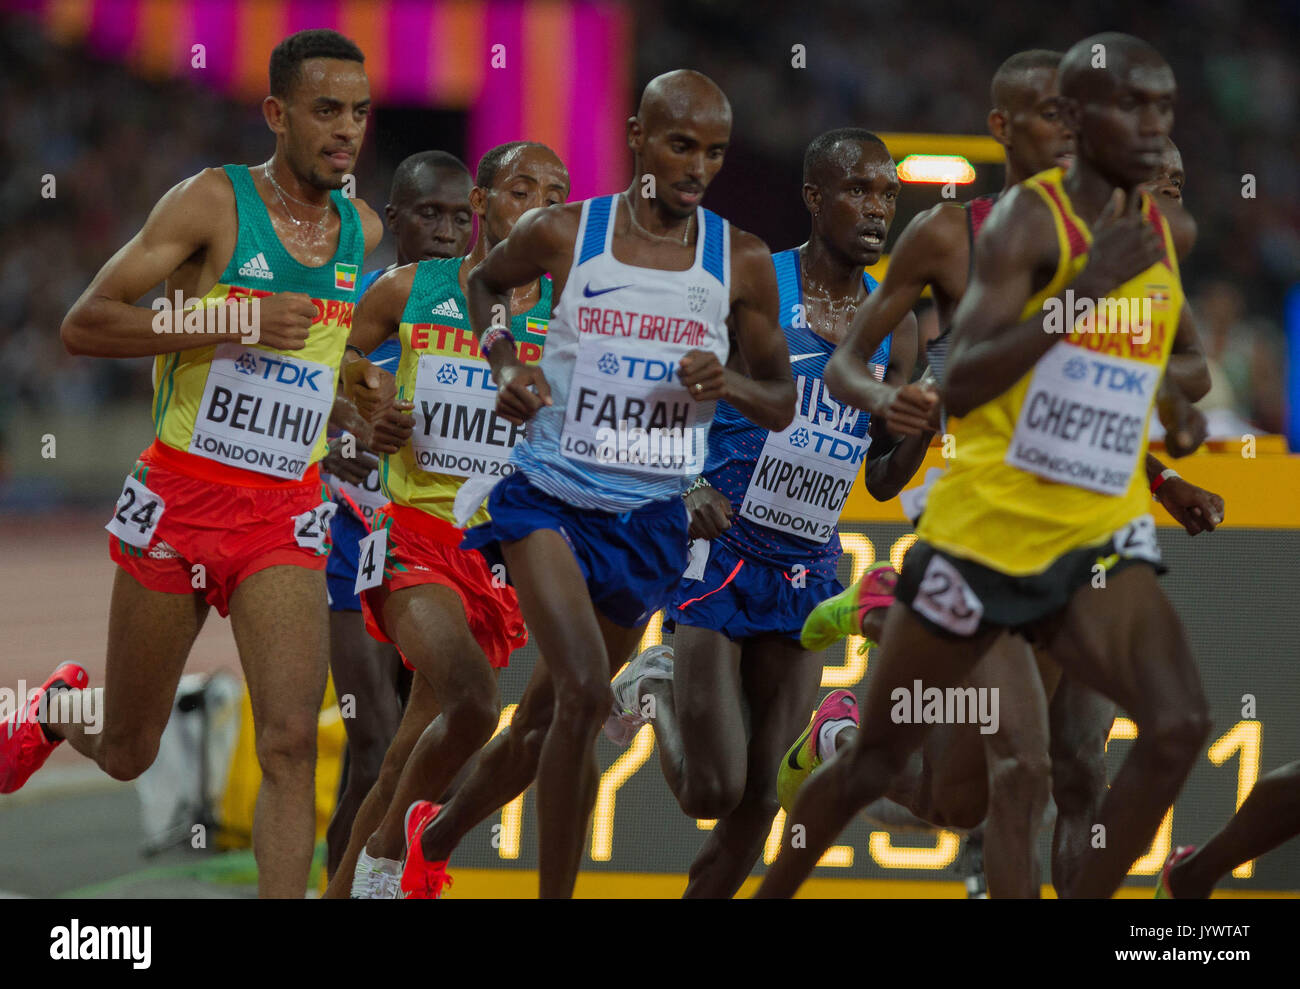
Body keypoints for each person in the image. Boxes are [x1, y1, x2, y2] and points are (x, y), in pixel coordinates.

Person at [758, 33, 1211, 900]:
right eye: (1055, 116)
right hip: (984, 531)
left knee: (1124, 746)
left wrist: (1172, 414)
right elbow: (941, 369)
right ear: (1008, 126)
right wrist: (895, 398)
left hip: (1095, 534)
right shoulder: (973, 234)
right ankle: (828, 770)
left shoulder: (1153, 229)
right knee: (968, 779)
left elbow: (1161, 366)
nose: (1075, 134)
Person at [1, 30, 384, 898]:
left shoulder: (362, 228)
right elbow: (86, 323)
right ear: (276, 114)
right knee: (132, 749)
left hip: (283, 510)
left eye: (360, 113)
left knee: (289, 738)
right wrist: (232, 321)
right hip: (180, 499)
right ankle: (63, 708)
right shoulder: (211, 203)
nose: (347, 130)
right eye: (327, 111)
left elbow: (317, 364)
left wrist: (360, 394)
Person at [399, 69, 796, 899]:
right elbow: (482, 283)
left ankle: (432, 836)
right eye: (680, 145)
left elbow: (779, 400)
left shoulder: (741, 261)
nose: (696, 168)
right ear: (637, 138)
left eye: (714, 153)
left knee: (547, 717)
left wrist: (722, 380)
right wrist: (504, 359)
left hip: (648, 517)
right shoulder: (565, 233)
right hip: (548, 497)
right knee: (583, 691)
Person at [602, 129, 926, 898]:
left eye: (888, 194)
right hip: (722, 549)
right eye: (858, 190)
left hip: (806, 565)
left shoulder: (896, 321)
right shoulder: (758, 289)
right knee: (711, 790)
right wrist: (687, 487)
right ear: (815, 197)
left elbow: (882, 479)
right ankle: (652, 684)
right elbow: (660, 397)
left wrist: (923, 425)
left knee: (764, 799)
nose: (877, 209)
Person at [323, 142, 569, 899]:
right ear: (485, 204)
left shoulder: (570, 314)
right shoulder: (409, 288)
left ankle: (355, 884)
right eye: (522, 185)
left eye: (556, 190)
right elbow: (328, 360)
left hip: (502, 557)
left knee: (404, 759)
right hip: (410, 539)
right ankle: (397, 866)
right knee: (470, 702)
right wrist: (361, 415)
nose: (539, 199)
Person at [321, 150, 475, 877]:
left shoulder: (499, 304)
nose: (447, 230)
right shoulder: (385, 293)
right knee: (375, 736)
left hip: (449, 548)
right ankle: (342, 879)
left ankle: (373, 876)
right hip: (361, 533)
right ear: (397, 217)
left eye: (459, 216)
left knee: (424, 748)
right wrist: (348, 430)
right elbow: (316, 374)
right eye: (429, 214)